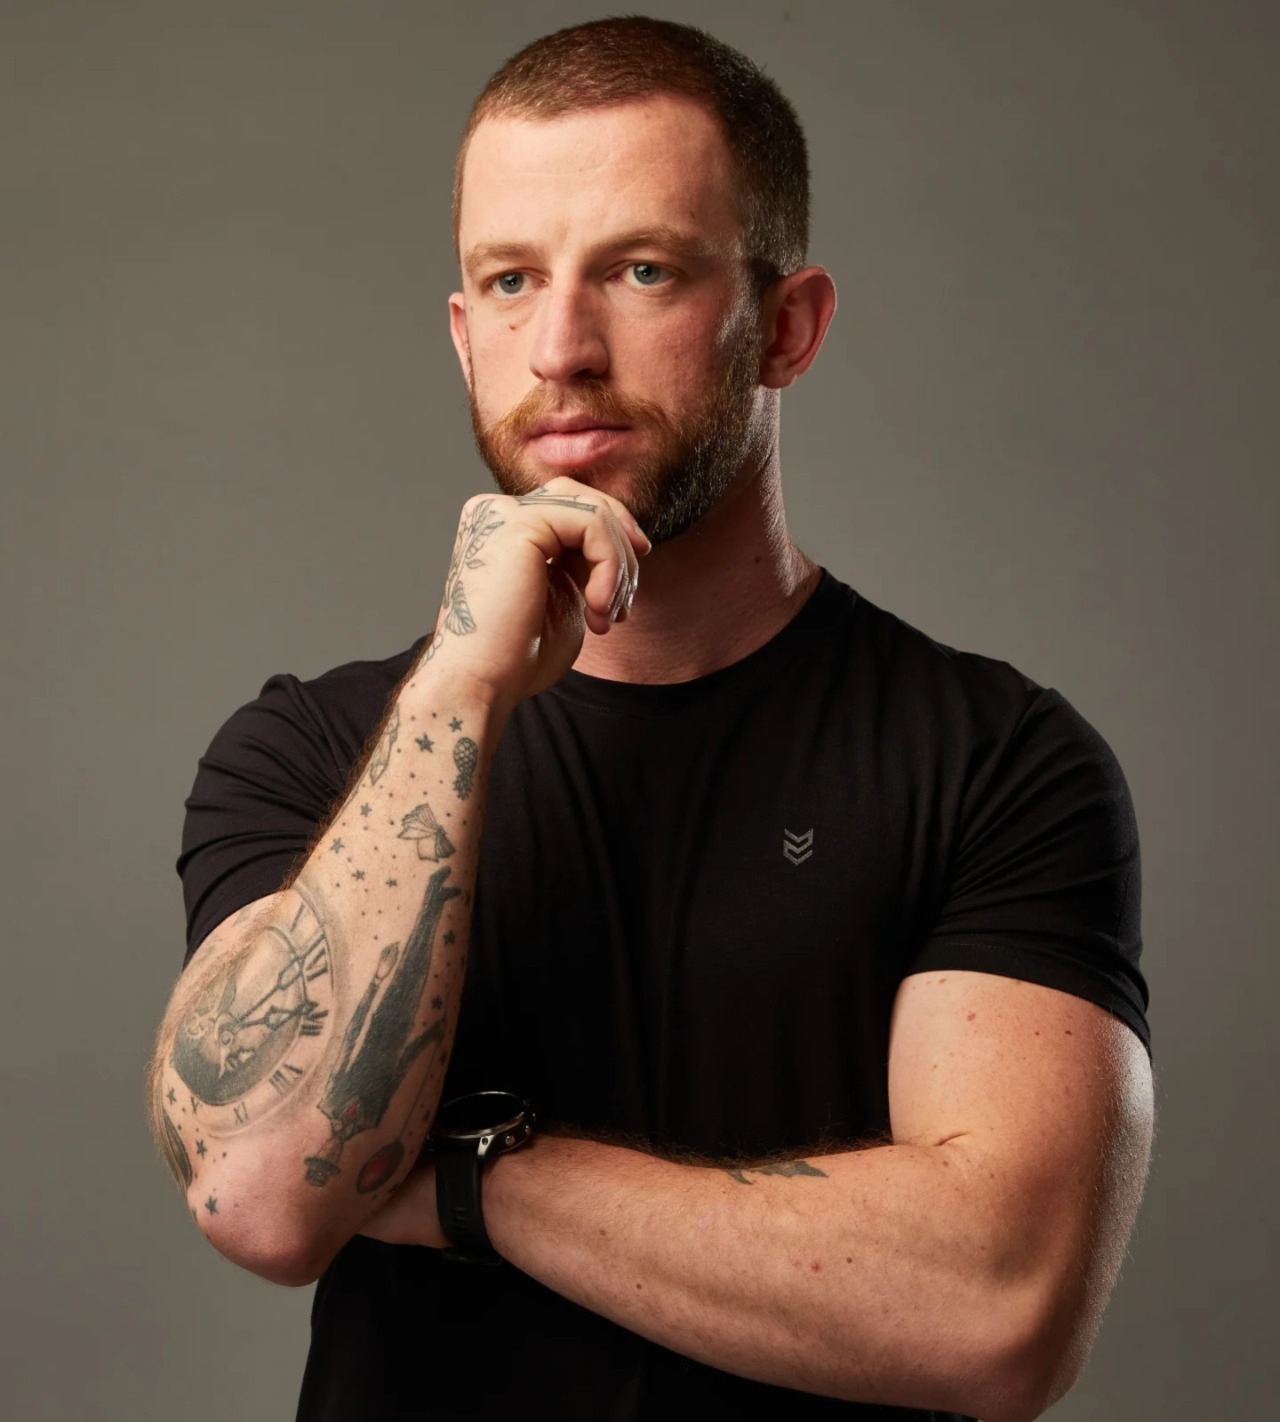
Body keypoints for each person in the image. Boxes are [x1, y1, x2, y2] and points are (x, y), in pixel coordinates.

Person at [145, 16, 1154, 1422]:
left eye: (642, 270)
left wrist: (463, 1179)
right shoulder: (313, 755)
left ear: (786, 326)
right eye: (510, 280)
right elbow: (261, 1191)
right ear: (463, 335)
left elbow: (997, 1310)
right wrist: (462, 682)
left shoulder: (998, 763)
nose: (561, 348)